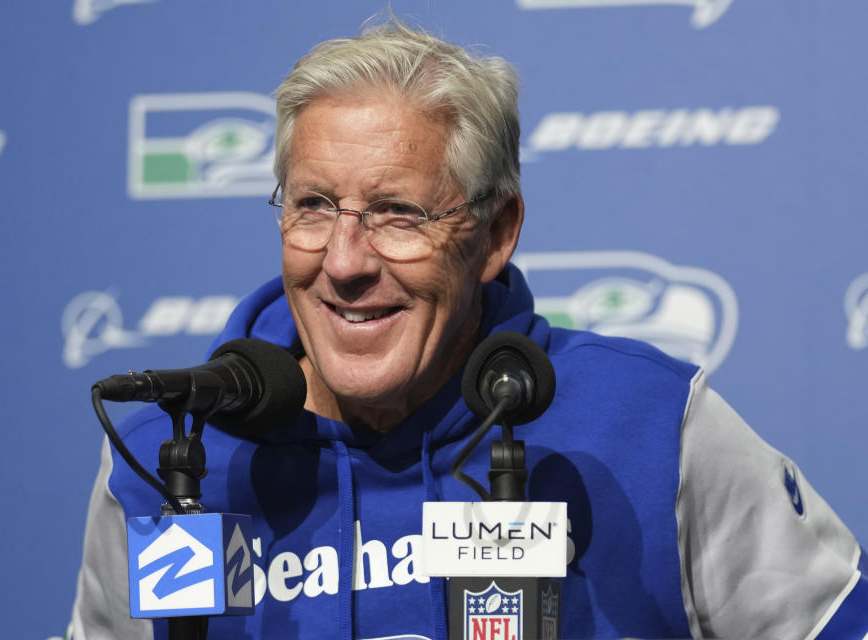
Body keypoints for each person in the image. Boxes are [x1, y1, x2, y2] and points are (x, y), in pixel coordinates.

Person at [70, 18, 868, 640]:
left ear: (495, 234)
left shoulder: (653, 427)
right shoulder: (167, 463)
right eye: (313, 206)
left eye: (398, 214)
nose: (345, 262)